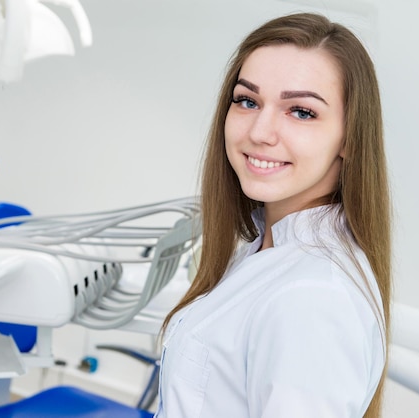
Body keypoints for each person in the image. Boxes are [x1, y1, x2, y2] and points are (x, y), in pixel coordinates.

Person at [157, 12, 391, 418]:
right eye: (247, 101)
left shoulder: (313, 300)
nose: (260, 132)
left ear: (350, 138)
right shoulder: (263, 248)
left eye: (300, 111)